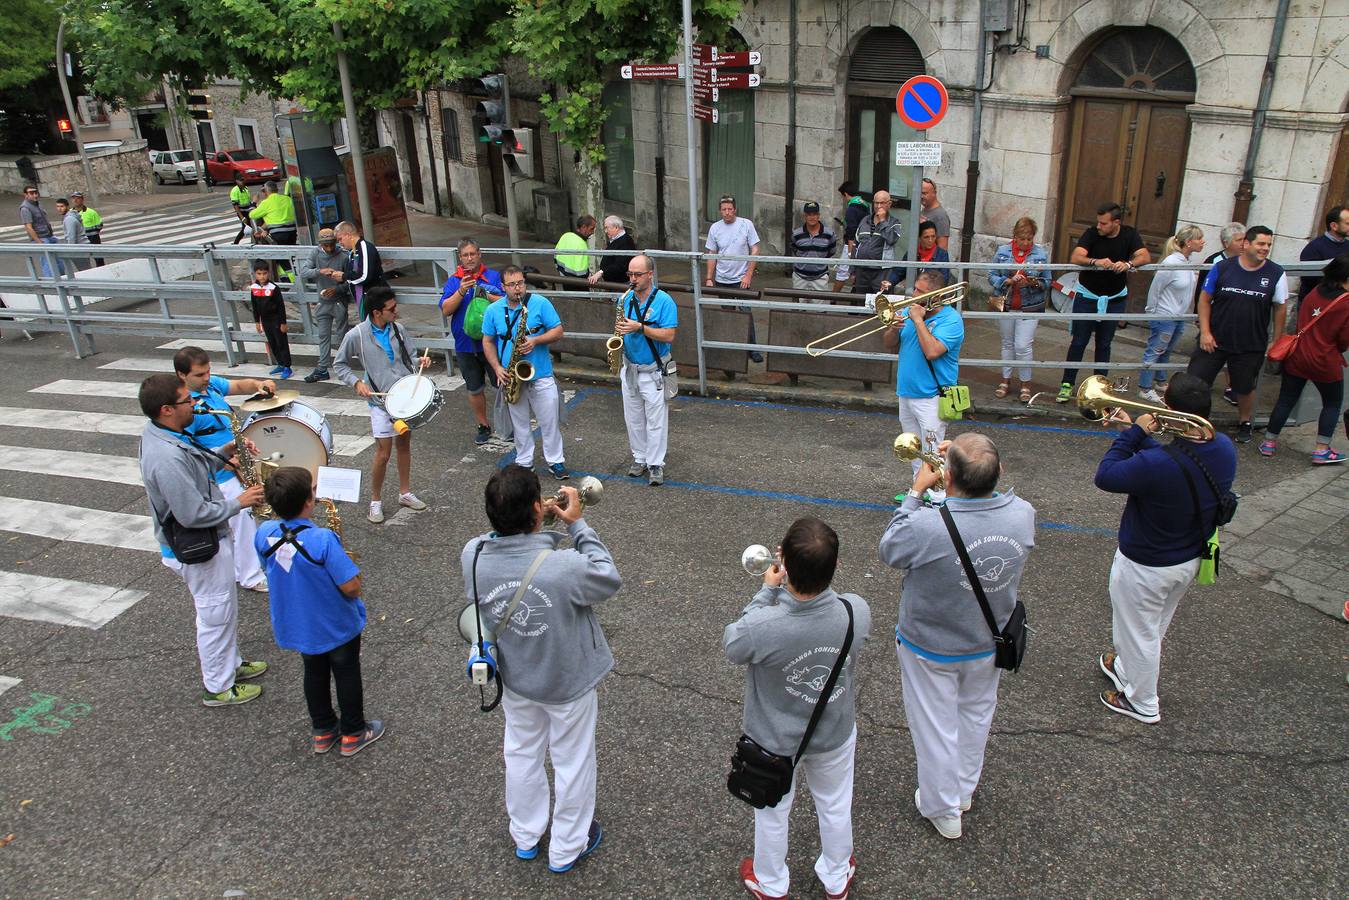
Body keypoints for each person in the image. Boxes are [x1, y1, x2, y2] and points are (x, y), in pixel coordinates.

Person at [461, 465, 621, 873]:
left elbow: (503, 549)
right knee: (573, 761)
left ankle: (526, 836)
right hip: (568, 682)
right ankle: (568, 847)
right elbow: (607, 577)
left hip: (515, 678)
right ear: (536, 506)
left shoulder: (473, 554)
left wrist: (534, 522)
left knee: (521, 753)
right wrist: (577, 524)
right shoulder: (562, 566)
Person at [879, 433, 1035, 839]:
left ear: (946, 478)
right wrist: (965, 458)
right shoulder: (1023, 514)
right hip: (988, 640)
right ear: (1000, 473)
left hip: (928, 644)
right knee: (976, 716)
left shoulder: (927, 524)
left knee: (934, 727)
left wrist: (916, 492)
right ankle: (963, 790)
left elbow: (890, 550)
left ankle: (943, 809)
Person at [724, 517, 872, 900]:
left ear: (784, 565)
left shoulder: (765, 625)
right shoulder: (856, 610)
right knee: (836, 804)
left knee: (772, 810)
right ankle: (837, 876)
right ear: (836, 567)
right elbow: (827, 603)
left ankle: (771, 881)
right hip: (834, 730)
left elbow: (734, 644)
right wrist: (799, 569)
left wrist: (768, 592)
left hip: (774, 740)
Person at [1093, 373, 1237, 723]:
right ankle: (1127, 669)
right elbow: (1177, 461)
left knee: (1141, 633)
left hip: (1146, 566)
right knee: (1150, 627)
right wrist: (1134, 434)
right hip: (1186, 558)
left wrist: (1136, 433)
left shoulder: (1157, 465)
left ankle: (1143, 703)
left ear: (1174, 411)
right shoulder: (1222, 447)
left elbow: (1106, 475)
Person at [137, 373, 269, 707]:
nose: (194, 404)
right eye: (187, 400)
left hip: (206, 540)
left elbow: (194, 464)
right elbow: (191, 513)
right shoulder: (165, 457)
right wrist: (239, 502)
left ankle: (231, 665)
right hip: (198, 545)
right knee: (215, 614)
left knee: (223, 607)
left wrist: (225, 452)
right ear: (167, 409)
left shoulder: (167, 434)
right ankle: (218, 686)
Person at [254, 466, 384, 756]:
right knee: (346, 672)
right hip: (335, 622)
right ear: (308, 503)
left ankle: (323, 730)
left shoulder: (263, 533)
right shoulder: (323, 539)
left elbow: (268, 568)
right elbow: (350, 587)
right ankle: (354, 731)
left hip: (298, 622)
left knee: (313, 672)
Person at [173, 345, 277, 593]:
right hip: (217, 473)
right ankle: (251, 576)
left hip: (235, 462)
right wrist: (227, 459)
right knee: (242, 518)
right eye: (199, 375)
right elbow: (187, 448)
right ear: (181, 375)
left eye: (208, 371)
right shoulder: (185, 407)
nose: (206, 378)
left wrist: (259, 384)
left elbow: (240, 386)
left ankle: (242, 566)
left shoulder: (209, 386)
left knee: (249, 517)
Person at [332, 285, 431, 524]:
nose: (396, 312)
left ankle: (405, 492)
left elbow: (410, 357)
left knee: (404, 445)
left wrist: (421, 361)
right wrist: (356, 383)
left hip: (405, 399)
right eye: (392, 308)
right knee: (383, 453)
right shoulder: (356, 334)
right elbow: (340, 364)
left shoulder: (399, 329)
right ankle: (375, 500)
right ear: (377, 312)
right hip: (379, 401)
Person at [1187, 225, 1289, 442]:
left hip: (1250, 343)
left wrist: (1277, 340)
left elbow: (1280, 307)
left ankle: (1245, 422)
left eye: (1268, 245)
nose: (1265, 248)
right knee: (1196, 382)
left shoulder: (1276, 273)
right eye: (1261, 243)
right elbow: (1204, 300)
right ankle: (1196, 422)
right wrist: (1205, 332)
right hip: (1213, 339)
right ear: (1246, 244)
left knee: (1243, 387)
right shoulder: (1222, 267)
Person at [1259, 253, 1349, 464]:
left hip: (1297, 356)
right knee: (1332, 403)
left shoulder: (1316, 291)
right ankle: (1321, 450)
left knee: (1286, 399)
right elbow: (1344, 339)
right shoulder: (1346, 302)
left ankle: (1269, 442)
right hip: (1325, 361)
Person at [882, 270, 964, 501]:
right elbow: (889, 345)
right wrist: (893, 329)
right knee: (913, 447)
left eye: (921, 291)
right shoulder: (911, 312)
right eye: (915, 289)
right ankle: (919, 490)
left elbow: (932, 351)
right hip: (906, 391)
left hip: (932, 396)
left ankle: (938, 495)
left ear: (937, 296)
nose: (914, 295)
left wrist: (918, 320)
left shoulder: (951, 320)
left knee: (934, 450)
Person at [1056, 203, 1150, 402]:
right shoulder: (1091, 233)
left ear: (1116, 222)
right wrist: (1095, 261)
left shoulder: (1129, 234)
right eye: (1098, 222)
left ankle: (1099, 388)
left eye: (1104, 223)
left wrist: (1128, 264)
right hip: (1088, 296)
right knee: (1079, 341)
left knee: (1104, 344)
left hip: (1115, 298)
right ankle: (1067, 383)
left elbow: (1145, 256)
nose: (1099, 226)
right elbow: (1076, 256)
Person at [483, 266, 568, 478]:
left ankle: (555, 461)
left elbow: (558, 331)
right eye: (512, 285)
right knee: (519, 423)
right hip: (511, 375)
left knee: (549, 421)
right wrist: (496, 367)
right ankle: (524, 460)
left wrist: (536, 340)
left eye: (520, 283)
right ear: (502, 287)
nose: (517, 288)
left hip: (540, 373)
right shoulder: (493, 311)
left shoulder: (540, 303)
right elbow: (487, 341)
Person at [617, 254, 678, 486]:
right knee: (633, 419)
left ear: (650, 274)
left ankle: (655, 464)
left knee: (656, 421)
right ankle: (639, 458)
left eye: (637, 275)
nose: (632, 279)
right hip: (630, 367)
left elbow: (669, 335)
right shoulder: (624, 300)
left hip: (654, 371)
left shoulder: (664, 301)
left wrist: (640, 328)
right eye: (630, 274)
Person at [439, 237, 505, 445]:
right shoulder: (453, 281)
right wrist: (461, 290)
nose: (470, 258)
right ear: (460, 258)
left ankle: (508, 423)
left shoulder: (493, 276)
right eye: (465, 255)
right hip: (465, 345)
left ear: (480, 254)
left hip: (493, 343)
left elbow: (507, 301)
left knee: (502, 385)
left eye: (473, 254)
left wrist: (485, 292)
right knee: (474, 388)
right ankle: (483, 425)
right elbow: (446, 309)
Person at [1138, 225, 1206, 403]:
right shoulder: (1170, 263)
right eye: (1199, 238)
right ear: (1189, 242)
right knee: (1155, 350)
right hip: (1165, 316)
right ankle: (1145, 388)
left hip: (1178, 316)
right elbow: (1155, 289)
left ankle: (1160, 380)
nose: (1203, 242)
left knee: (1166, 350)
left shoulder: (1187, 263)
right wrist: (1152, 313)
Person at [988, 216, 1051, 402]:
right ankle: (1005, 380)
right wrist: (1005, 281)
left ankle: (1025, 384)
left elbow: (1048, 281)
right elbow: (991, 274)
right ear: (1014, 236)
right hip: (1007, 305)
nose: (1026, 243)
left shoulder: (1041, 254)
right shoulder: (1002, 252)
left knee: (1023, 345)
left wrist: (1033, 282)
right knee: (1007, 343)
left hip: (1030, 306)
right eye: (1022, 238)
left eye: (1029, 239)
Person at [705, 195, 763, 363]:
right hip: (723, 279)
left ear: (735, 210)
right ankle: (732, 348)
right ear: (720, 211)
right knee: (728, 314)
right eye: (724, 209)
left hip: (741, 279)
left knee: (746, 313)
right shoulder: (715, 228)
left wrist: (748, 275)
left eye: (730, 209)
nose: (727, 212)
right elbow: (711, 253)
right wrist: (709, 277)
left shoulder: (746, 224)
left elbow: (755, 249)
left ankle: (752, 348)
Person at [1198, 222, 1247, 406]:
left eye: (1245, 239)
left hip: (1235, 319)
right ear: (1226, 243)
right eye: (1239, 240)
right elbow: (1202, 293)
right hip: (1213, 317)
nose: (1243, 244)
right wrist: (1200, 320)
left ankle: (1231, 387)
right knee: (1208, 356)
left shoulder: (1248, 262)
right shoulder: (1214, 262)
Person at [299, 228, 353, 383]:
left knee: (343, 335)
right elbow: (303, 272)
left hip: (339, 301)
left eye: (331, 245)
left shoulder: (343, 256)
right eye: (326, 245)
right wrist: (320, 271)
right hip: (322, 301)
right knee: (323, 336)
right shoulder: (315, 253)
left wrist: (336, 288)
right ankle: (322, 368)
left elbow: (350, 281)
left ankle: (344, 365)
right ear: (321, 244)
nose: (329, 248)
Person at [851, 190, 901, 298]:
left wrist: (883, 221)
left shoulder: (894, 222)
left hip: (881, 271)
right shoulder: (865, 220)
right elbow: (856, 244)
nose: (878, 206)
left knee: (881, 301)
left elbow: (891, 239)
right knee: (860, 301)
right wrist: (853, 270)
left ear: (889, 204)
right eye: (876, 203)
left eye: (882, 203)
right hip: (862, 270)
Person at [249, 261, 292, 380]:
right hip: (265, 320)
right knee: (272, 343)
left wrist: (283, 323)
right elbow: (255, 306)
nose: (262, 276)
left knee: (281, 343)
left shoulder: (273, 288)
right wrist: (257, 321)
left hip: (276, 320)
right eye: (259, 274)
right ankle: (280, 363)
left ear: (268, 273)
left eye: (264, 273)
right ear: (255, 274)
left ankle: (287, 366)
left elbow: (280, 306)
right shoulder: (254, 288)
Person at [1297, 207, 1349, 303]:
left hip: (1341, 304)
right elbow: (1308, 280)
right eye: (1347, 223)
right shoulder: (1314, 248)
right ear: (1334, 226)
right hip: (1316, 305)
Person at [334, 220, 384, 318]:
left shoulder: (365, 247)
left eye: (340, 239)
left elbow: (364, 276)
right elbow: (353, 274)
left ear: (348, 235)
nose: (340, 243)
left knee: (377, 329)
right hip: (363, 297)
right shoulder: (352, 252)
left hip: (374, 298)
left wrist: (343, 276)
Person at [790, 201, 838, 305]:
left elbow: (832, 251)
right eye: (809, 215)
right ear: (805, 216)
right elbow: (794, 249)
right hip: (800, 277)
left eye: (814, 214)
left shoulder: (829, 234)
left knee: (820, 310)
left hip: (820, 277)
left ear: (819, 216)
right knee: (798, 309)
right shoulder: (796, 234)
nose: (812, 217)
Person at [887, 221, 950, 292]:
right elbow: (899, 272)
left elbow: (944, 280)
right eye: (926, 237)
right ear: (919, 238)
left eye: (933, 236)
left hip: (931, 295)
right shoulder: (912, 253)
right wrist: (889, 282)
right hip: (913, 292)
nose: (930, 240)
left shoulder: (942, 254)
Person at [18, 185, 62, 277]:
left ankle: (62, 279)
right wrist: (38, 241)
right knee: (48, 262)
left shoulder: (38, 204)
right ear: (26, 195)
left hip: (49, 236)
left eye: (35, 193)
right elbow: (28, 227)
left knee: (59, 260)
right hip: (41, 238)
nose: (34, 195)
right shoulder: (25, 208)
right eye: (31, 193)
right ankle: (51, 283)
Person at [835, 181, 870, 293]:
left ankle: (833, 298)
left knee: (843, 271)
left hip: (852, 244)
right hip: (864, 243)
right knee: (859, 271)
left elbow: (851, 230)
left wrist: (850, 251)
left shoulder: (851, 209)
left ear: (845, 194)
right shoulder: (865, 205)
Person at [588, 215, 637, 286]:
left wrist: (601, 272)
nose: (605, 231)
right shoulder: (616, 239)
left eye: (607, 228)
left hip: (620, 284)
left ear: (616, 228)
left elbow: (620, 265)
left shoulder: (625, 242)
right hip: (614, 283)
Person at [248, 180, 298, 245]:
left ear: (266, 192)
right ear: (277, 190)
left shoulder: (266, 203)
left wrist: (253, 203)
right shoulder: (288, 199)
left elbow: (252, 215)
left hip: (278, 235)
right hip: (292, 233)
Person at [53, 198, 90, 272]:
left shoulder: (69, 219)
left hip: (79, 249)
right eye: (58, 206)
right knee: (86, 270)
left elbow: (71, 237)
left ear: (67, 206)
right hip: (82, 246)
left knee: (85, 271)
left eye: (62, 206)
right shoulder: (71, 216)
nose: (59, 209)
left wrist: (70, 251)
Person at [69, 191, 103, 267]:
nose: (75, 200)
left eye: (77, 198)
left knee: (98, 258)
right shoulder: (70, 213)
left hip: (93, 238)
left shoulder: (91, 212)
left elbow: (99, 225)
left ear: (82, 199)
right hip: (80, 239)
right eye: (73, 198)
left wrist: (91, 232)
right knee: (83, 260)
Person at [918, 178, 950, 252]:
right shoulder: (925, 209)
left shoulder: (940, 216)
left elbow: (942, 248)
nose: (921, 196)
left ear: (934, 193)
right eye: (920, 193)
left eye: (924, 193)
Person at [229, 173, 256, 245]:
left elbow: (248, 200)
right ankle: (236, 243)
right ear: (236, 181)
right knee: (246, 227)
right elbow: (235, 205)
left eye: (243, 180)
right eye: (241, 180)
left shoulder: (246, 188)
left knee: (251, 226)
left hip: (248, 211)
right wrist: (241, 217)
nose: (242, 182)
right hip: (242, 212)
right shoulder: (235, 190)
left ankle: (253, 240)